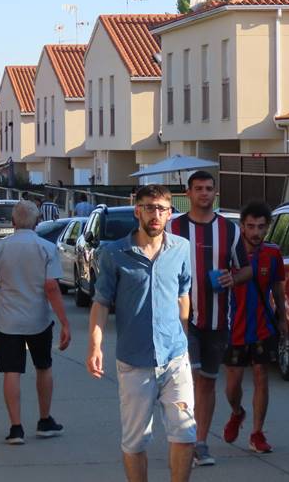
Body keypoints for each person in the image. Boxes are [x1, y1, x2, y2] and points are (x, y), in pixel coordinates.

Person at [87, 184, 194, 482]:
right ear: (138, 211)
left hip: (174, 358)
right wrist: (95, 346)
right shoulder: (114, 253)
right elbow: (100, 302)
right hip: (135, 361)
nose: (155, 214)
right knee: (135, 441)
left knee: (185, 434)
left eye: (162, 208)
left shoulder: (182, 248)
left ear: (170, 213)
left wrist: (183, 336)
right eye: (149, 207)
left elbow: (183, 294)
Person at [168, 170, 251, 466]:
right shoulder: (173, 227)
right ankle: (185, 440)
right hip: (181, 320)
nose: (204, 193)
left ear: (215, 193)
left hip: (217, 320)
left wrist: (233, 277)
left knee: (206, 383)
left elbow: (246, 269)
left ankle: (200, 442)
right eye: (198, 189)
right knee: (187, 381)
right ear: (187, 193)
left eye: (208, 189)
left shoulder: (229, 230)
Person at [0, 200, 71, 444]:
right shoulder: (46, 248)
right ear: (37, 222)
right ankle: (44, 419)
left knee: (11, 371)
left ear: (13, 222)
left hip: (8, 321)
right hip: (39, 319)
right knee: (44, 366)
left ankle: (16, 427)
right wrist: (64, 322)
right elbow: (51, 287)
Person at [222, 201, 285, 454]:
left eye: (261, 227)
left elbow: (279, 289)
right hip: (233, 328)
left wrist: (282, 319)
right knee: (232, 385)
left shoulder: (272, 254)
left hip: (262, 327)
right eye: (251, 226)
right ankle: (237, 412)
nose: (256, 232)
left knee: (261, 377)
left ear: (267, 227)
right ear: (242, 227)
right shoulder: (228, 254)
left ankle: (257, 433)